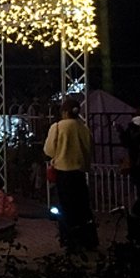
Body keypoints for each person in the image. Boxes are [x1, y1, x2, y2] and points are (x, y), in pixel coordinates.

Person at [43, 98, 97, 253]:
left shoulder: (58, 127)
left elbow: (49, 150)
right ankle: (87, 239)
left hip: (63, 173)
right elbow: (89, 149)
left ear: (65, 111)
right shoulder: (83, 127)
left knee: (65, 208)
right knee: (82, 207)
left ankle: (69, 240)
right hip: (79, 173)